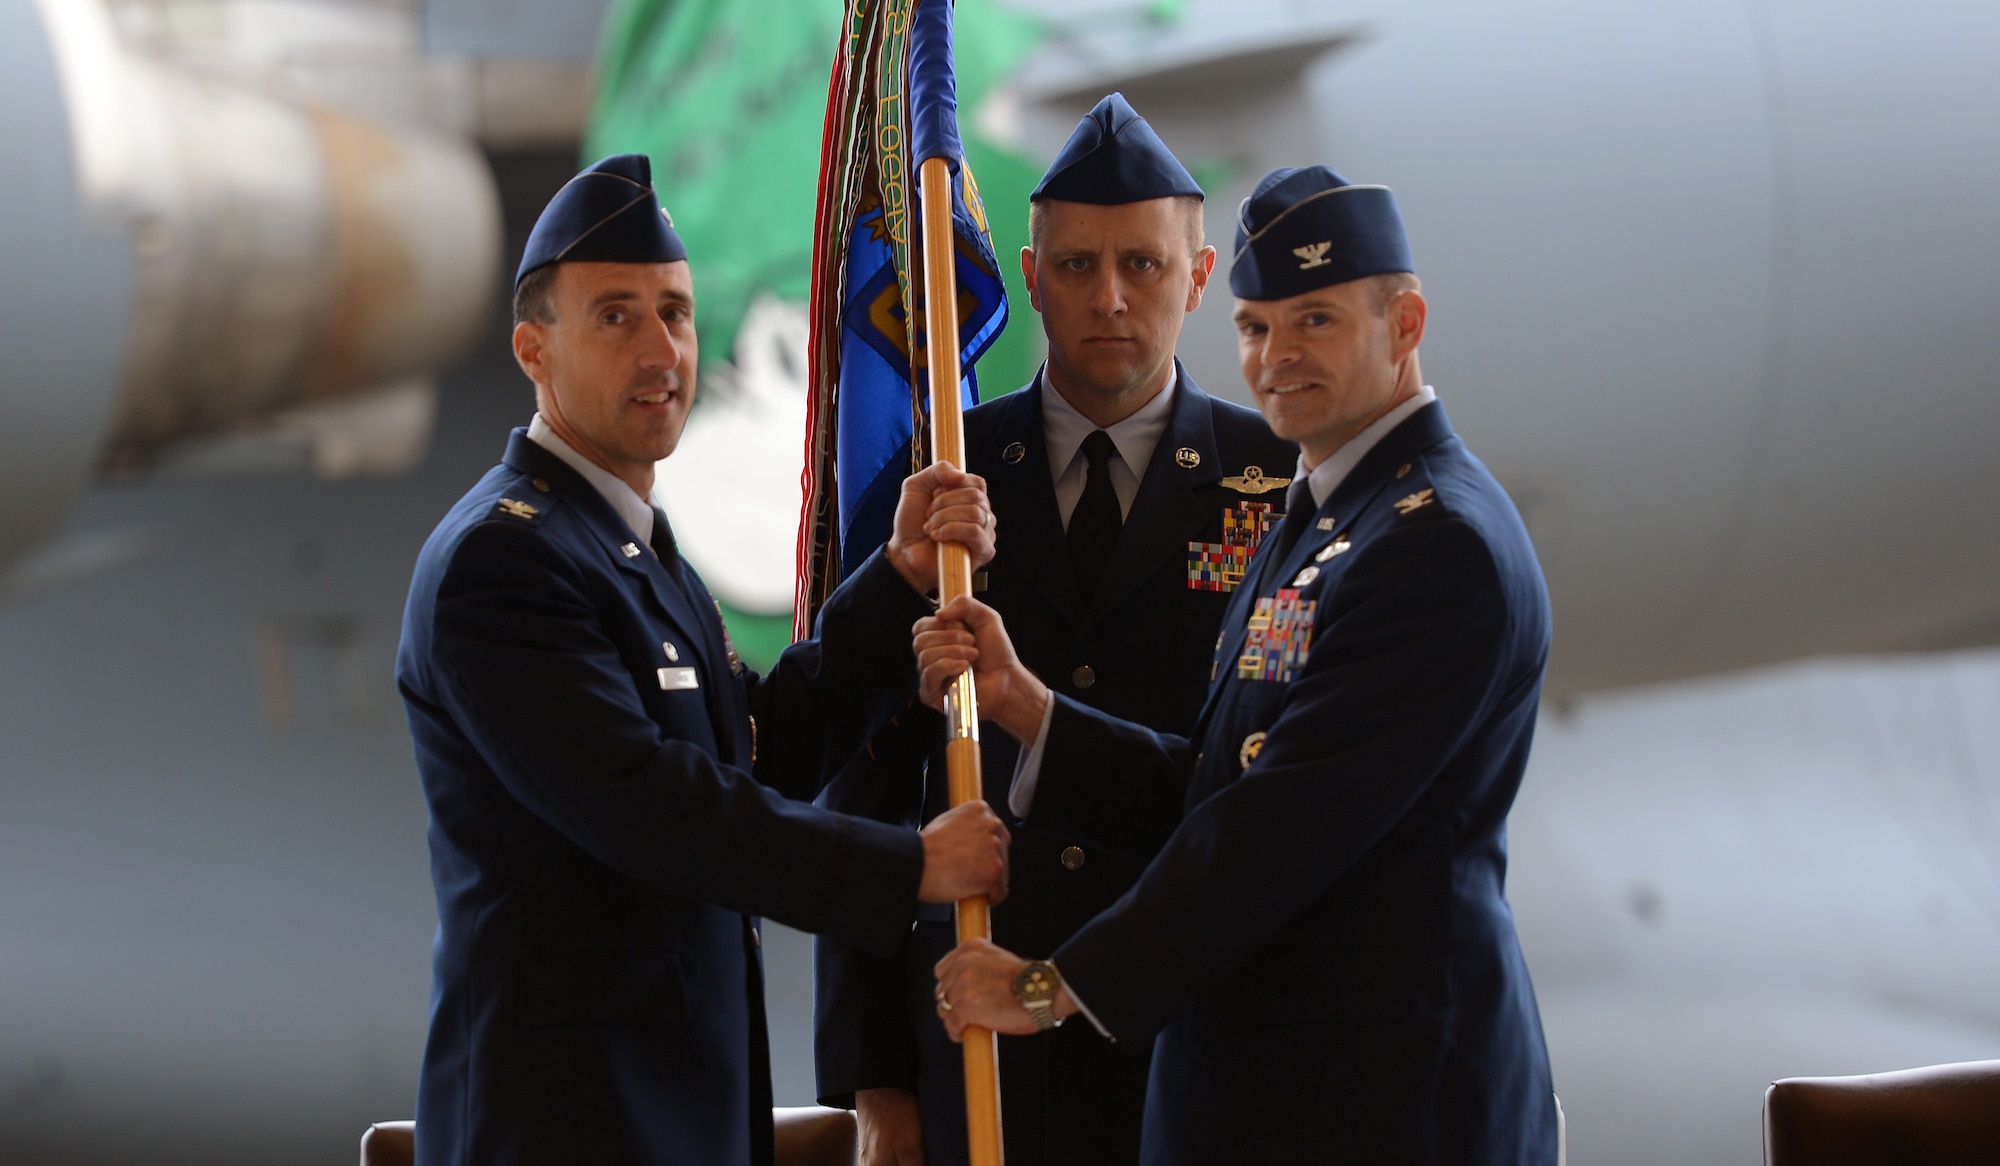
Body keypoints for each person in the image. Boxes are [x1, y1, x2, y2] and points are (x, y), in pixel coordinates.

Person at [916, 164, 1561, 1164]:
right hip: (1274, 1091)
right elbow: (1224, 782)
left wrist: (1048, 988)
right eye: (1256, 327)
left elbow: (1280, 827)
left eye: (1315, 321)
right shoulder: (1327, 514)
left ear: (1405, 324)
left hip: (1382, 1102)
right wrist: (1029, 708)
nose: (1275, 357)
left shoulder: (1438, 544)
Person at [395, 154, 1013, 1166]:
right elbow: (649, 805)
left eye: (675, 314)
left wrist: (896, 580)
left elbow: (754, 748)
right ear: (531, 349)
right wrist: (909, 869)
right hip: (567, 1118)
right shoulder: (501, 560)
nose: (661, 349)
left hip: (678, 1104)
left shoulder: (628, 541)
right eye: (614, 317)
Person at [813, 94, 1294, 1166]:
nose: (1109, 297)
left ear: (1200, 279)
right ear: (1027, 279)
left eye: (1142, 264)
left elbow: (1270, 796)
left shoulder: (1274, 486)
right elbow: (871, 780)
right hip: (980, 1043)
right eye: (1074, 266)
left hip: (1193, 1033)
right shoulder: (940, 476)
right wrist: (872, 1074)